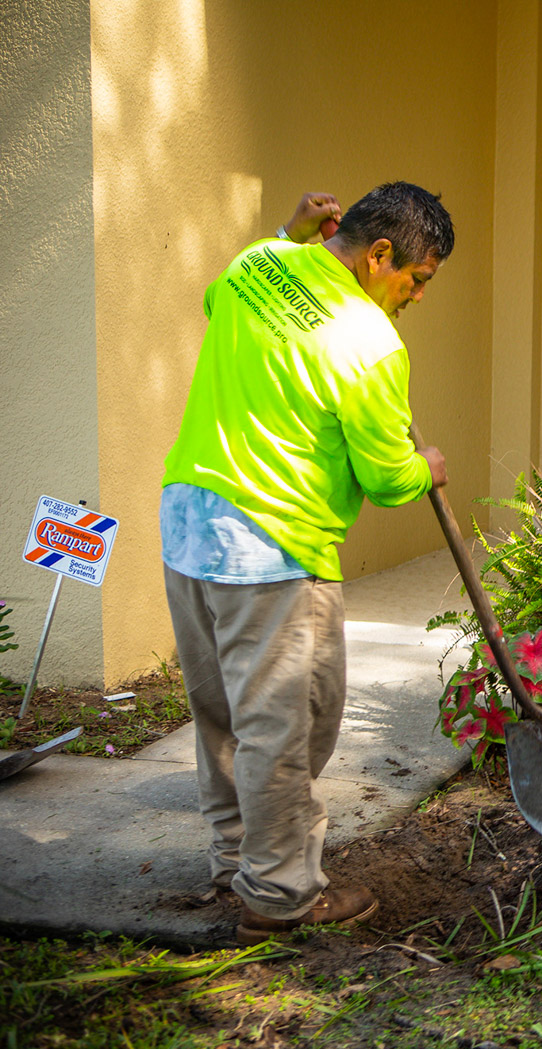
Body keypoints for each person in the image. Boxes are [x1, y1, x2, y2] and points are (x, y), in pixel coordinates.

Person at [161, 182, 453, 945]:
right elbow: (389, 481)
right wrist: (427, 465)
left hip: (188, 520)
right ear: (380, 253)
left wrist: (288, 237)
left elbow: (214, 300)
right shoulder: (370, 343)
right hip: (270, 541)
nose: (415, 297)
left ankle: (238, 857)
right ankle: (282, 890)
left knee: (221, 711)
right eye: (416, 279)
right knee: (285, 724)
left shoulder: (260, 262)